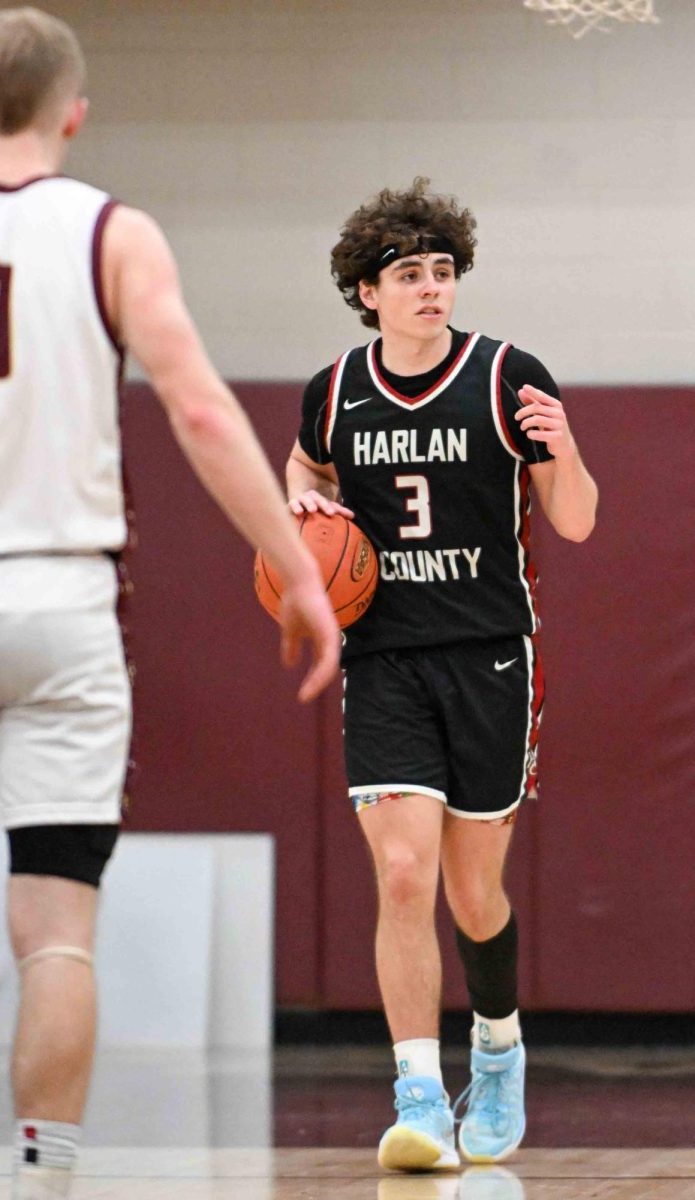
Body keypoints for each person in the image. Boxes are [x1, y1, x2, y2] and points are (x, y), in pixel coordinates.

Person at [0, 9, 340, 1200]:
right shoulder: (115, 233)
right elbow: (203, 412)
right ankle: (48, 1185)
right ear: (74, 112)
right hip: (60, 604)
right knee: (56, 926)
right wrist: (299, 569)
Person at [286, 178, 598, 1172]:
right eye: (408, 275)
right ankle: (417, 1095)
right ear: (366, 292)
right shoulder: (334, 391)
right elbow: (303, 467)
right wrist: (307, 512)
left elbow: (579, 517)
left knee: (472, 896)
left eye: (441, 271)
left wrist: (565, 448)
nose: (430, 289)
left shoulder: (508, 378)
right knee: (403, 874)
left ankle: (496, 1046)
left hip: (492, 657)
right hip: (384, 658)